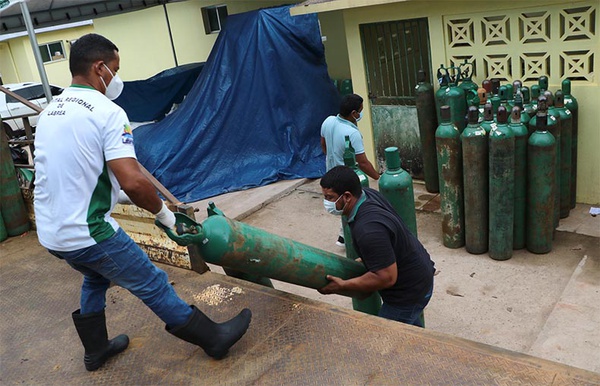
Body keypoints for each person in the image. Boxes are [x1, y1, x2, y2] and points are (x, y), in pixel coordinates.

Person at [33, 33, 251, 372]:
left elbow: (77, 177)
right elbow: (134, 181)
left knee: (95, 277)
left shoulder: (50, 112)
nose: (116, 77)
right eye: (116, 69)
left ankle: (96, 350)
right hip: (87, 232)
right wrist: (166, 217)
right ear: (99, 67)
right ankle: (214, 338)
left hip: (51, 233)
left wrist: (118, 196)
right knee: (152, 282)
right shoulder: (107, 112)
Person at [318, 166, 435, 327]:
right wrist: (373, 256)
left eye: (330, 197)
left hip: (408, 292)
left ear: (346, 196)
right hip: (419, 273)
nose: (326, 203)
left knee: (384, 337)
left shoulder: (368, 230)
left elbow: (386, 277)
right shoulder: (368, 195)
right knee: (411, 330)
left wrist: (343, 286)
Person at [320, 93, 379, 247]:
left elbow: (323, 144)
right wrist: (378, 177)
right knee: (355, 205)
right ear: (354, 113)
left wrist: (332, 158)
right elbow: (363, 162)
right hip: (347, 176)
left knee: (345, 205)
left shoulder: (328, 121)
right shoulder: (352, 133)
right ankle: (349, 238)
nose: (361, 113)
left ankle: (343, 237)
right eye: (360, 110)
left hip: (331, 172)